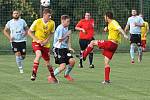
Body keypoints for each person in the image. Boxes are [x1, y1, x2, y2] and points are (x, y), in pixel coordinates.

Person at [81, 12, 128, 84]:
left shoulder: (113, 22)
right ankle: (107, 80)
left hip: (111, 44)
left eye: (105, 17)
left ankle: (83, 56)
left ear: (107, 17)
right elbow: (115, 31)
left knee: (92, 42)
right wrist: (108, 29)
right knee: (106, 62)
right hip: (114, 46)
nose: (104, 18)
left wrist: (124, 35)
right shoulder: (110, 24)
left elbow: (119, 28)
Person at [28, 8, 58, 83]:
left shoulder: (52, 23)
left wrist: (46, 41)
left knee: (48, 63)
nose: (50, 17)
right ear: (44, 15)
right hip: (36, 43)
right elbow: (29, 32)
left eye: (50, 16)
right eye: (49, 15)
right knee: (38, 55)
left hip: (45, 45)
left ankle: (53, 76)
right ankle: (34, 73)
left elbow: (51, 33)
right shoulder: (37, 22)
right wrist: (37, 40)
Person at [49, 15, 75, 82]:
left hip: (64, 49)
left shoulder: (66, 27)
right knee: (63, 66)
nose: (69, 23)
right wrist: (67, 34)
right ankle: (51, 77)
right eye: (67, 21)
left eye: (69, 21)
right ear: (63, 21)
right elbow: (60, 40)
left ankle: (66, 75)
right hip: (58, 49)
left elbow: (68, 38)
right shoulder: (60, 28)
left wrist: (69, 47)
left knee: (72, 61)